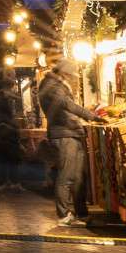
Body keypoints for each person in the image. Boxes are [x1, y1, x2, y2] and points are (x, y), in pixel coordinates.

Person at [38, 61, 97, 227]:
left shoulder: (56, 84)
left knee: (78, 177)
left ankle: (81, 213)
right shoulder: (51, 86)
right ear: (64, 73)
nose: (73, 78)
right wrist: (91, 116)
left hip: (72, 132)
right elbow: (67, 104)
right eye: (71, 75)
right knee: (67, 175)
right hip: (64, 135)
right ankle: (63, 215)